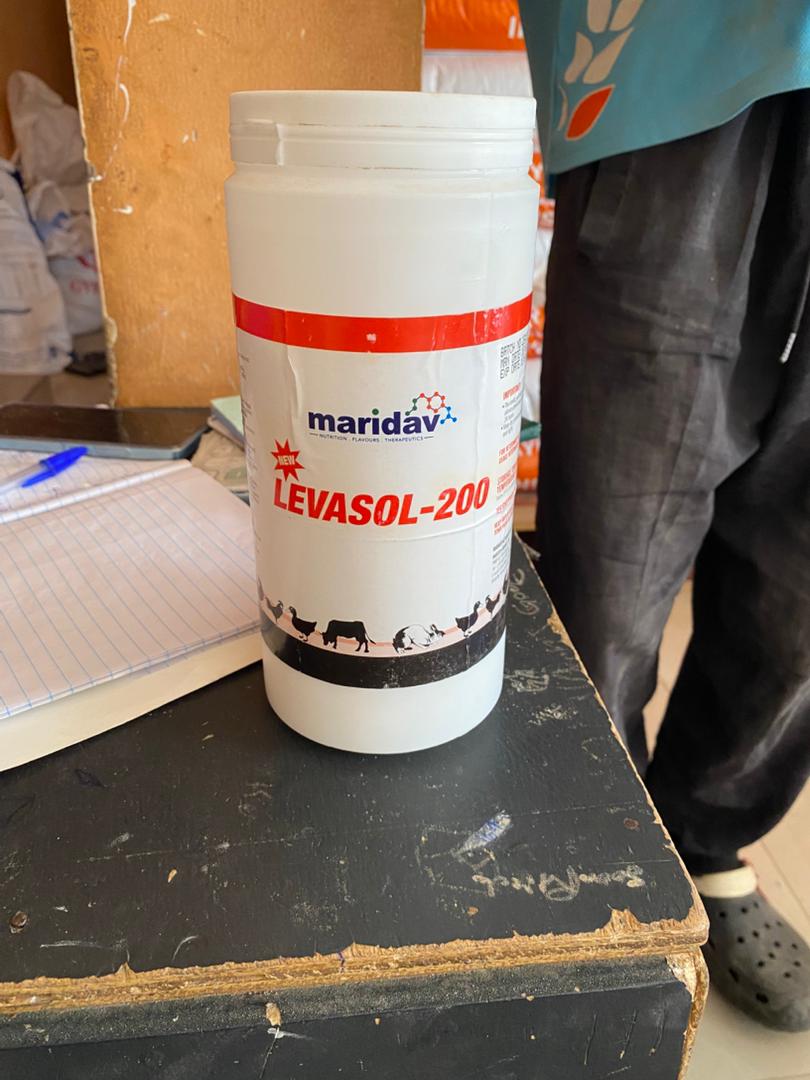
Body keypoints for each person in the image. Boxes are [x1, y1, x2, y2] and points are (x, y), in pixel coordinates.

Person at [519, 0, 810, 1031]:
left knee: (801, 588)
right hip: (675, 71)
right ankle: (593, 855)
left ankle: (704, 833)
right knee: (612, 557)